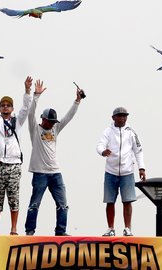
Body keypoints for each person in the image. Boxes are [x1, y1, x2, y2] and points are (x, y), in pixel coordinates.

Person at [24, 80, 84, 236]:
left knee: (63, 204)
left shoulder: (56, 128)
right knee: (34, 204)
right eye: (49, 122)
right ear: (43, 119)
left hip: (55, 172)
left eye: (53, 122)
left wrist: (77, 101)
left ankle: (61, 231)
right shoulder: (35, 129)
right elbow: (31, 113)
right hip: (40, 173)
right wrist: (36, 95)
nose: (51, 124)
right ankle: (30, 231)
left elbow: (68, 117)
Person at [0, 75, 32, 235]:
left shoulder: (18, 121)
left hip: (13, 164)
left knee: (13, 197)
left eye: (8, 105)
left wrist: (27, 90)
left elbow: (26, 108)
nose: (5, 107)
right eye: (2, 105)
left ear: (12, 108)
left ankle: (14, 228)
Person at [96, 107, 146, 237]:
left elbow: (138, 150)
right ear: (113, 118)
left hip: (127, 171)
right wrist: (103, 151)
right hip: (111, 171)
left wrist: (142, 168)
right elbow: (100, 145)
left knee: (127, 201)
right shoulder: (108, 131)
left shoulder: (131, 132)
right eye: (120, 116)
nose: (122, 118)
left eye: (125, 116)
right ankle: (110, 228)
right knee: (110, 201)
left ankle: (127, 228)